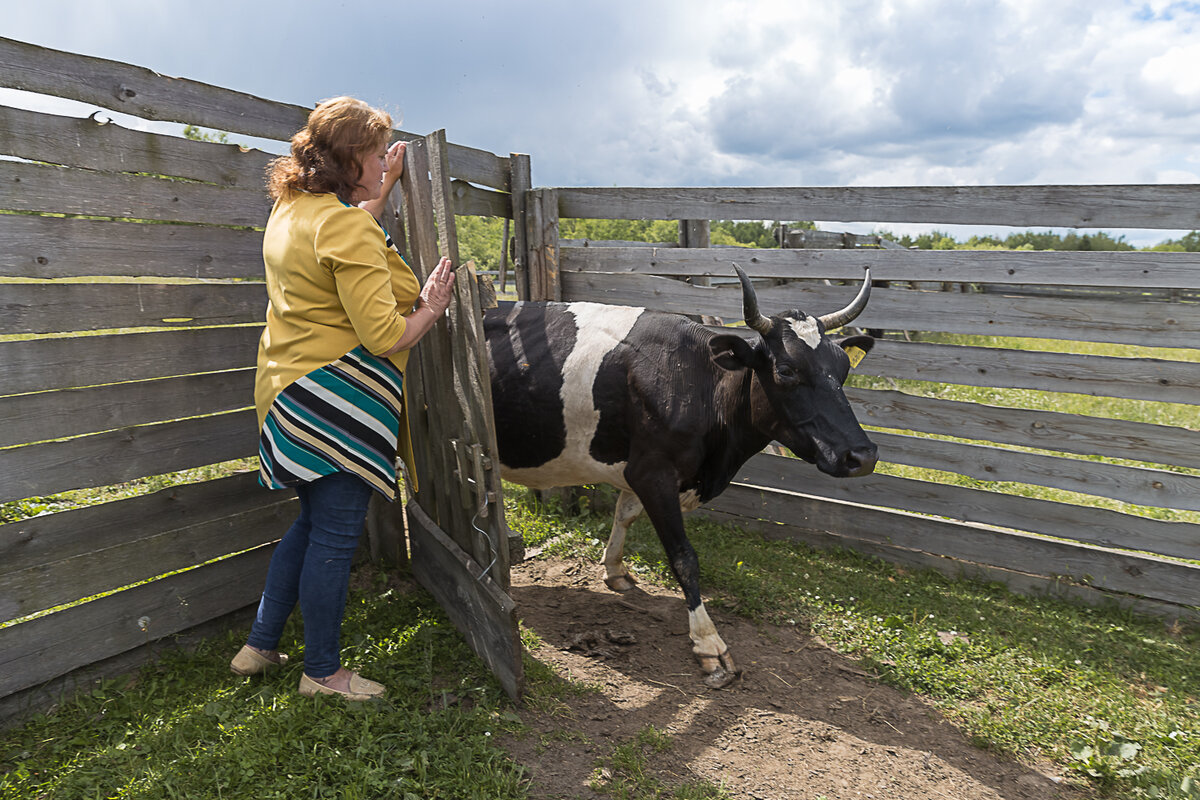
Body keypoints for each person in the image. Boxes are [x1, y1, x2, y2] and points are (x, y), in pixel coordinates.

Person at [229, 96, 455, 700]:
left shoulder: (290, 209)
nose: (385, 162)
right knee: (335, 535)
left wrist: (380, 188)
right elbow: (384, 334)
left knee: (309, 523)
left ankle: (259, 645)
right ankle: (323, 673)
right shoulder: (345, 225)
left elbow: (344, 238)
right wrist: (431, 307)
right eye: (379, 153)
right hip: (338, 399)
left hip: (285, 392)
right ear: (353, 157)